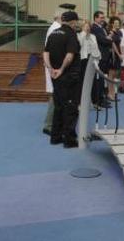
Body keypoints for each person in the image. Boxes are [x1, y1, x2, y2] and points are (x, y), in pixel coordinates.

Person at [44, 11, 82, 147]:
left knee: (58, 106)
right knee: (70, 107)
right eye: (77, 21)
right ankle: (69, 140)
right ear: (73, 22)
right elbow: (70, 55)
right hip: (68, 76)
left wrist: (50, 69)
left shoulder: (53, 33)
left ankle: (55, 137)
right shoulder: (71, 34)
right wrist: (61, 69)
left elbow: (45, 52)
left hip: (55, 76)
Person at [42, 9, 64, 136]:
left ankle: (53, 123)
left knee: (57, 95)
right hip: (53, 67)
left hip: (54, 66)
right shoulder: (54, 29)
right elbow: (50, 50)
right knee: (55, 96)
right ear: (59, 17)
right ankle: (49, 125)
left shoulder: (57, 28)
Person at [91, 11, 112, 108]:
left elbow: (106, 39)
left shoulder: (102, 28)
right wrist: (109, 39)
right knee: (99, 80)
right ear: (95, 18)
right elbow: (102, 40)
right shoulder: (94, 28)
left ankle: (102, 97)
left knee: (103, 79)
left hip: (105, 57)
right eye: (101, 17)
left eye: (103, 17)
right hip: (100, 57)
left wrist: (108, 38)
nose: (103, 19)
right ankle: (98, 100)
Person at [108, 16, 122, 101]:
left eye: (118, 23)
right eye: (116, 23)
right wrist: (118, 54)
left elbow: (120, 44)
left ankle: (113, 93)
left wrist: (121, 54)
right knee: (111, 75)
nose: (117, 24)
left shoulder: (119, 32)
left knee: (114, 75)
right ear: (112, 24)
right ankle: (110, 94)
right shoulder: (111, 32)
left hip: (118, 55)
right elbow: (113, 45)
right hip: (113, 55)